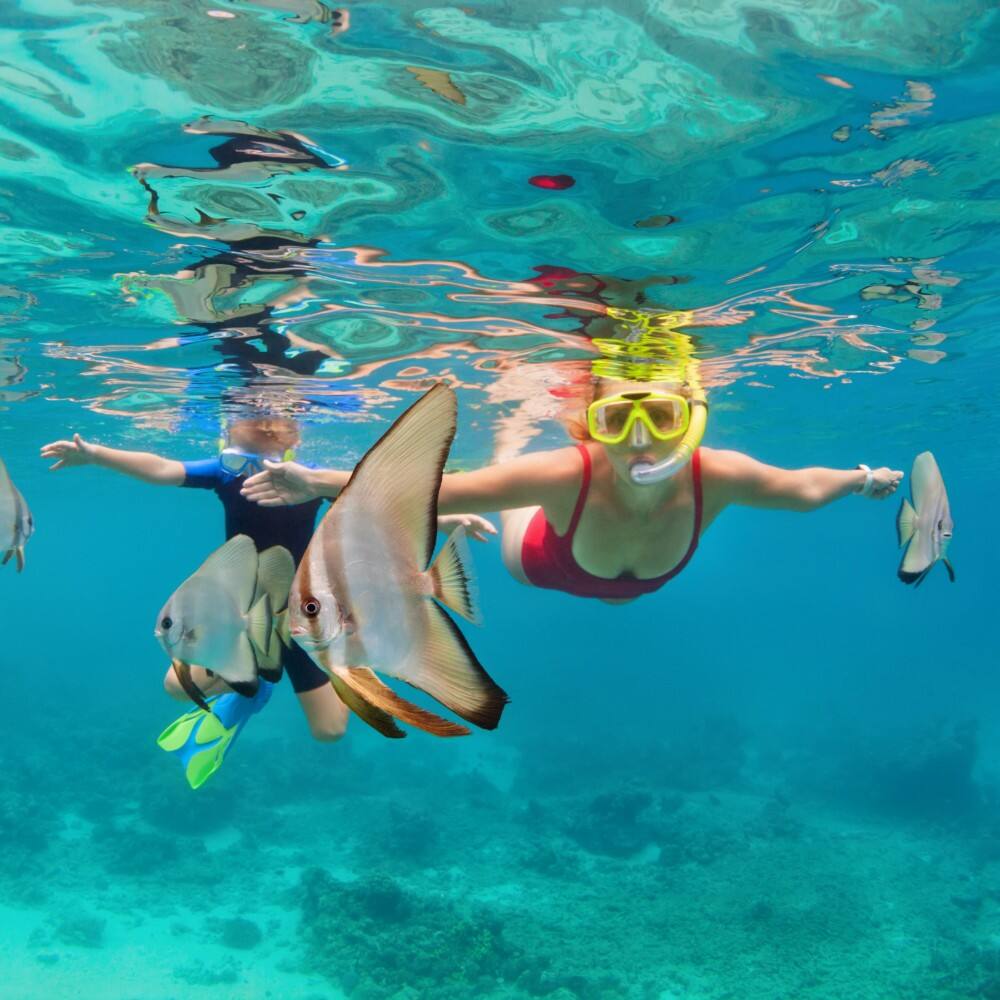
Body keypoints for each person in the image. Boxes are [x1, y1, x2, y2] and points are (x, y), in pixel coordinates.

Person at [239, 377, 903, 604]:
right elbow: (434, 490)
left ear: (691, 421)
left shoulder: (718, 474)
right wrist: (317, 480)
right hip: (542, 563)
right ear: (595, 428)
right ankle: (508, 445)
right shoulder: (569, 474)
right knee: (489, 491)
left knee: (482, 494)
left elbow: (802, 489)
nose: (640, 441)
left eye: (661, 418)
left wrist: (861, 479)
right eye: (617, 420)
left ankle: (502, 466)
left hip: (632, 581)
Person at [39, 416, 493, 737]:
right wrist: (96, 454)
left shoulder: (309, 480)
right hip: (237, 610)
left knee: (331, 731)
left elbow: (379, 509)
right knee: (176, 687)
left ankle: (252, 688)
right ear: (227, 436)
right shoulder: (223, 473)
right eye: (243, 452)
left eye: (278, 427)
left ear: (294, 440)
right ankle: (247, 684)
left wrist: (447, 520)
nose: (266, 433)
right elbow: (162, 469)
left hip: (310, 614)